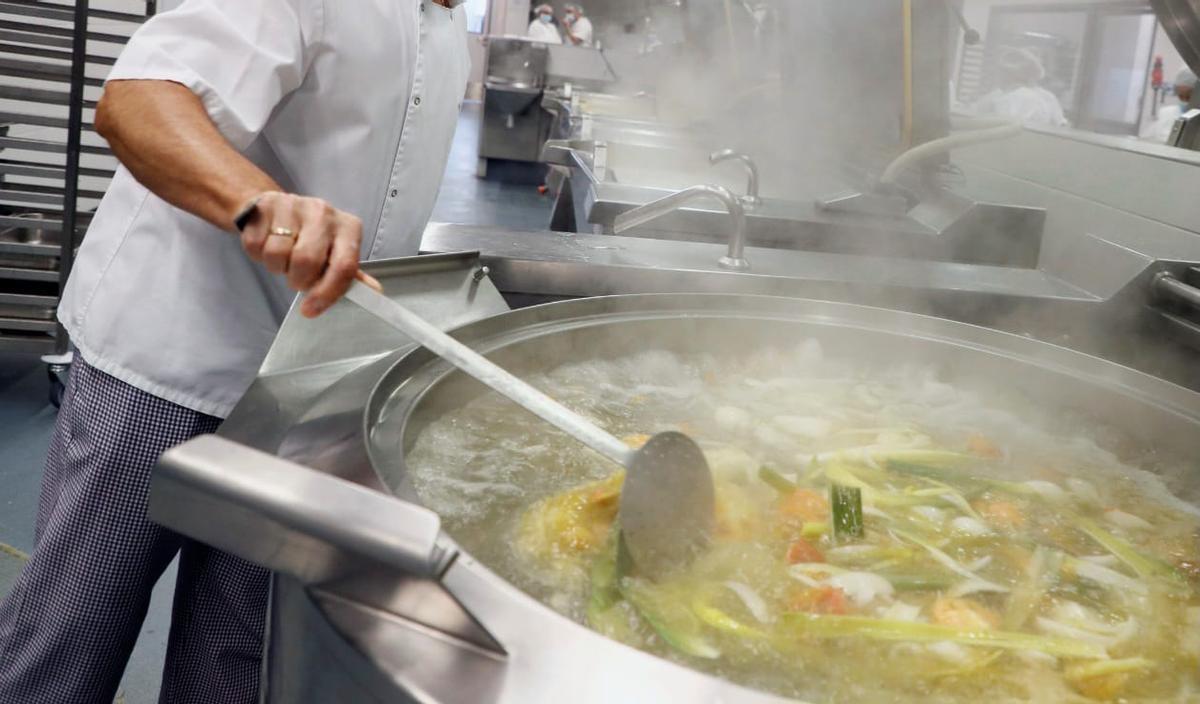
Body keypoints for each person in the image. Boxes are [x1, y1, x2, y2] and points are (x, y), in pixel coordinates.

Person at [0, 0, 471, 702]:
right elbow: (138, 99)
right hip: (167, 358)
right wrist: (259, 202)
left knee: (234, 657)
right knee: (71, 634)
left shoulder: (449, 29)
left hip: (302, 384)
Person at [973, 48, 1069, 128]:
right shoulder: (1045, 96)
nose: (997, 75)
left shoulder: (1019, 97)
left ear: (1013, 74)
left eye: (1002, 72)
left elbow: (1001, 128)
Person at [1141, 67, 1197, 144]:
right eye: (1180, 96)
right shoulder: (1167, 113)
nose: (1184, 100)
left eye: (1188, 96)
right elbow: (1146, 138)